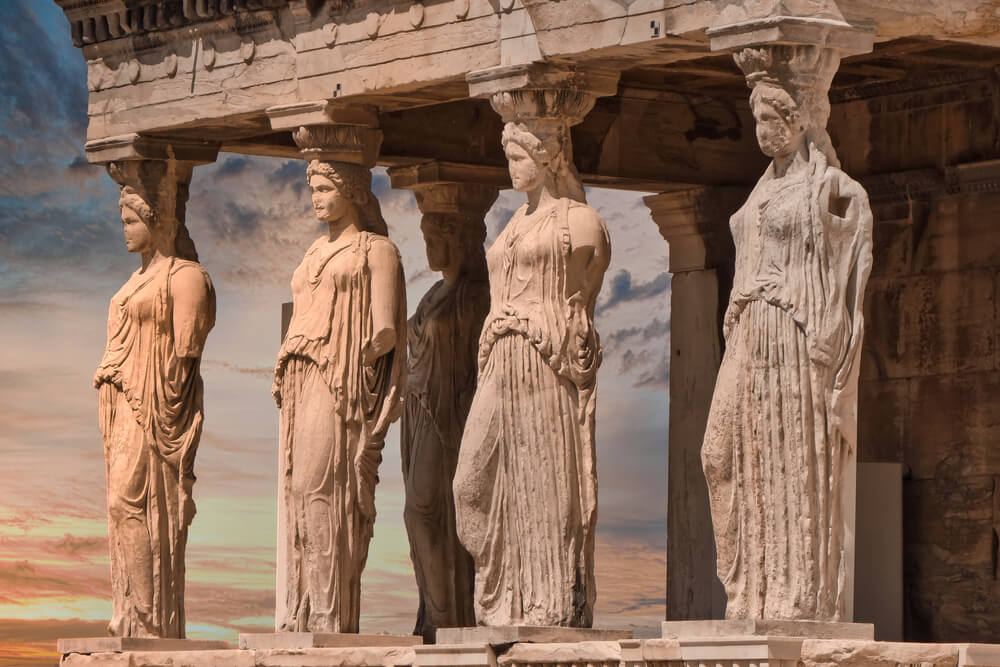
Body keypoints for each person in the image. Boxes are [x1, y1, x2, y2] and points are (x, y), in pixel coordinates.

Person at [701, 52, 873, 621]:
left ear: (799, 121)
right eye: (757, 121)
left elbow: (850, 249)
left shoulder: (828, 187)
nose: (762, 132)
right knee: (719, 455)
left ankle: (792, 595)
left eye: (772, 120)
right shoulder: (760, 193)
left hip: (795, 336)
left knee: (792, 459)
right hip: (751, 330)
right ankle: (748, 584)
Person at [453, 118, 610, 627]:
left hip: (545, 360)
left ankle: (547, 600)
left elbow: (584, 295)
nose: (511, 167)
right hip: (501, 357)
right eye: (509, 156)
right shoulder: (511, 225)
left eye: (519, 157)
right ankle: (504, 593)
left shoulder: (580, 222)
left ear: (547, 158)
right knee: (469, 486)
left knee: (547, 481)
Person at [272, 159, 406, 633]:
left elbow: (385, 329)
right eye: (314, 189)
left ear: (351, 190)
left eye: (326, 188)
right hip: (301, 378)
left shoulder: (378, 251)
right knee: (297, 492)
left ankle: (330, 615)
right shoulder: (311, 253)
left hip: (342, 382)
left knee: (319, 487)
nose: (317, 197)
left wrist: (355, 361)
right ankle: (304, 610)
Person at [95, 171, 215, 638]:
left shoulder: (187, 278)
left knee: (129, 502)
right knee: (119, 507)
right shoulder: (134, 279)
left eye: (131, 220)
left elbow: (185, 354)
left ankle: (150, 617)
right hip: (122, 405)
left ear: (156, 219)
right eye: (122, 219)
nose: (123, 228)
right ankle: (130, 612)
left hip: (154, 409)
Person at [402, 206, 491, 641]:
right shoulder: (433, 293)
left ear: (457, 240)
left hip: (451, 416)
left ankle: (448, 614)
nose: (429, 248)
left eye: (435, 239)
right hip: (420, 410)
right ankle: (436, 612)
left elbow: (483, 364)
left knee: (423, 511)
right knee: (420, 513)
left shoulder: (475, 296)